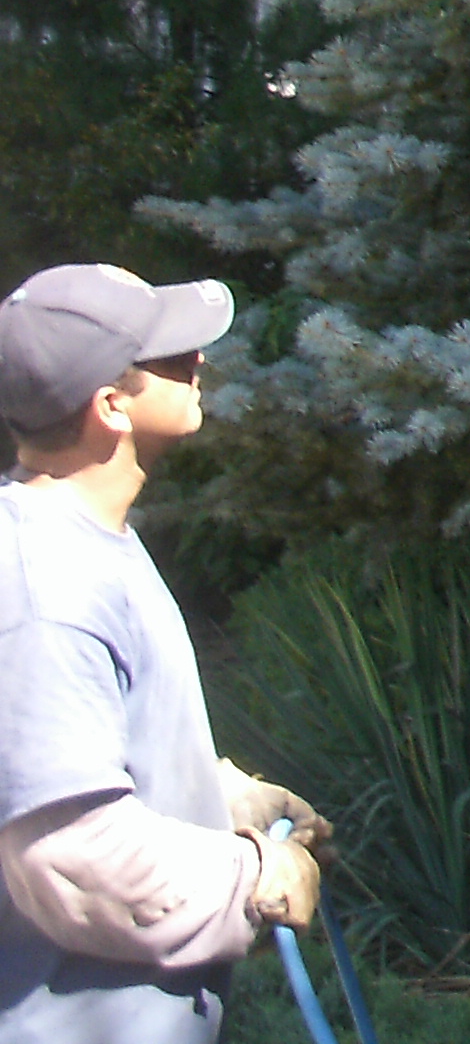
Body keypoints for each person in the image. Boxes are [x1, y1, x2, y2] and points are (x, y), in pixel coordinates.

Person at [1, 266, 328, 1044]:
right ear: (111, 405)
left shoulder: (85, 537)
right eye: (175, 357)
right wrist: (254, 878)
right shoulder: (46, 590)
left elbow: (70, 755)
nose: (200, 363)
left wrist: (218, 799)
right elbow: (74, 857)